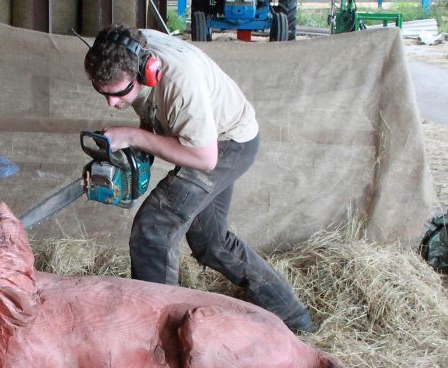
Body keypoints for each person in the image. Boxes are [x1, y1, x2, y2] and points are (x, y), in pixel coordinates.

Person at [83, 24, 314, 333]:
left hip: (226, 144)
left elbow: (205, 158)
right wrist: (133, 142)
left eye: (119, 94)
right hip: (208, 138)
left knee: (155, 227)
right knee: (210, 240)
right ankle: (294, 318)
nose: (111, 104)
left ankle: (155, 334)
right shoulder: (126, 48)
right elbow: (153, 111)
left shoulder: (181, 81)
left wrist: (134, 136)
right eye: (103, 93)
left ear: (145, 71)